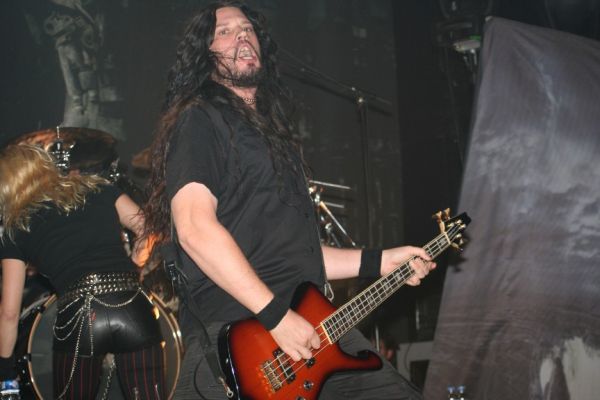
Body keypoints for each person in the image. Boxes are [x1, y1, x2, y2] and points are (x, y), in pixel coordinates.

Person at [144, 1, 435, 398]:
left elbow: (296, 254)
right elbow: (194, 228)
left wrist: (383, 261)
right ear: (204, 55)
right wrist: (275, 315)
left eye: (247, 29)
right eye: (224, 32)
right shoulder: (200, 119)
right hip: (243, 339)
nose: (241, 36)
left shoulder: (273, 137)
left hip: (310, 326)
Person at [0, 144, 166, 399]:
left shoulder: (16, 227)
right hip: (132, 305)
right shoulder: (98, 187)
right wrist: (135, 266)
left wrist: (5, 369)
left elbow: (9, 313)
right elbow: (148, 228)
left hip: (81, 316)